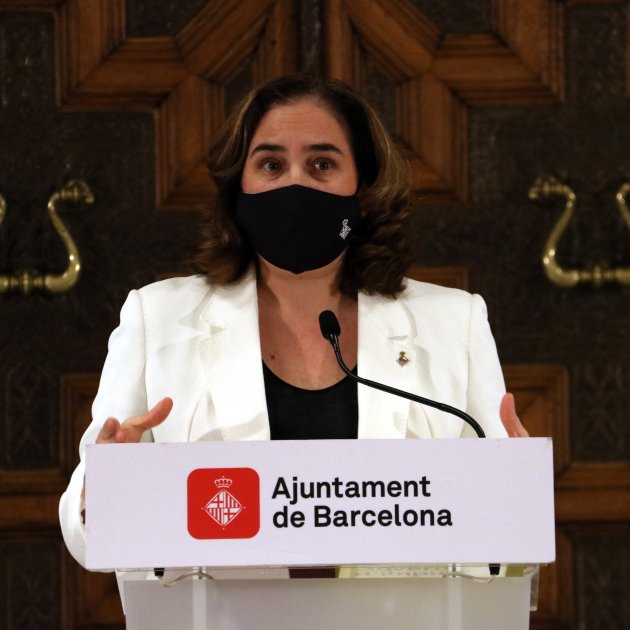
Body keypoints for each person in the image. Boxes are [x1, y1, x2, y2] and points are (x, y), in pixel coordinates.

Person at [59, 73, 527, 568]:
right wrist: (104, 488)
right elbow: (87, 534)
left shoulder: (454, 323)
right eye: (271, 164)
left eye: (322, 164)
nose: (295, 185)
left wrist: (518, 493)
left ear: (362, 191)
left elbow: (501, 548)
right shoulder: (158, 318)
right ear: (240, 188)